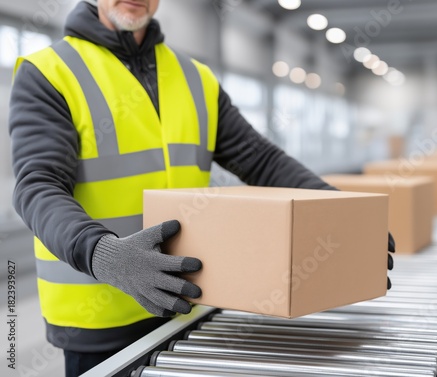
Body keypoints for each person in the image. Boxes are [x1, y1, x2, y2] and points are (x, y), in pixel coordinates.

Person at [8, 0, 395, 375]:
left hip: (187, 308)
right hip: (98, 325)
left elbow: (260, 159)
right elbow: (38, 187)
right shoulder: (49, 72)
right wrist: (107, 256)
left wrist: (341, 215)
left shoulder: (195, 79)